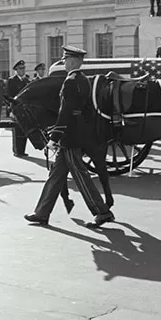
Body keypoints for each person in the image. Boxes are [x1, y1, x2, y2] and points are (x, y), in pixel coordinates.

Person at [24, 46, 115, 228]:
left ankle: (102, 211)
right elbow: (84, 111)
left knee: (81, 176)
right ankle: (42, 212)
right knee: (55, 176)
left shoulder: (71, 81)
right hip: (77, 134)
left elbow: (65, 112)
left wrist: (54, 137)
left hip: (70, 137)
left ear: (73, 61)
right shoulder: (83, 80)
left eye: (66, 59)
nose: (64, 62)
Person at [7, 60, 31, 157]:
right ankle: (17, 150)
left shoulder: (26, 81)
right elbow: (9, 95)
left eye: (24, 68)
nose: (23, 70)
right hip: (16, 108)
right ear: (16, 70)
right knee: (17, 130)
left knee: (24, 130)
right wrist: (11, 108)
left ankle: (22, 150)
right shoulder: (12, 81)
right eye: (21, 68)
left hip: (25, 108)